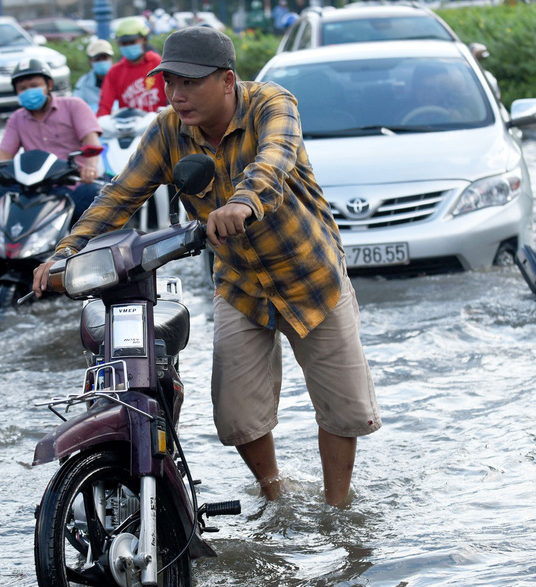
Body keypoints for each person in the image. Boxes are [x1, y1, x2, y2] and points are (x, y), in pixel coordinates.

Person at [31, 26, 382, 506]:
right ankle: (273, 493)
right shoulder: (166, 131)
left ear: (227, 81)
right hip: (240, 284)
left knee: (344, 410)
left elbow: (272, 164)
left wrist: (242, 203)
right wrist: (66, 252)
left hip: (311, 277)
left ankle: (337, 507)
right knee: (237, 416)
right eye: (170, 82)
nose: (177, 95)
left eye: (191, 83)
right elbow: (119, 195)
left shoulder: (272, 104)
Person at [0, 57, 103, 224]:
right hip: (32, 188)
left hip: (72, 184)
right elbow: (4, 154)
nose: (28, 91)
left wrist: (90, 167)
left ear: (49, 85)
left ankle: (92, 249)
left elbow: (92, 141)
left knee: (100, 200)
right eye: (22, 88)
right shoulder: (16, 118)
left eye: (34, 86)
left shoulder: (74, 105)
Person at [96, 17, 167, 117]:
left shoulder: (158, 63)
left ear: (144, 40)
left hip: (159, 125)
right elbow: (104, 106)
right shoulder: (115, 72)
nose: (128, 46)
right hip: (127, 128)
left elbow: (172, 96)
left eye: (132, 42)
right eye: (124, 43)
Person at [72, 38, 114, 114]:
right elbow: (77, 110)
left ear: (111, 59)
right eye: (97, 59)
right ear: (90, 62)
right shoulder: (83, 84)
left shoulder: (122, 77)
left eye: (104, 58)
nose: (102, 62)